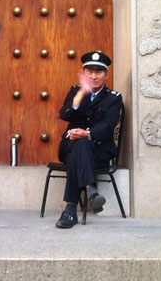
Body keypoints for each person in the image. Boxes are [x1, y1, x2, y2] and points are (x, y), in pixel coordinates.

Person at [55, 50, 123, 228]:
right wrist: (81, 94)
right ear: (83, 73)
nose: (94, 77)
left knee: (80, 149)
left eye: (98, 72)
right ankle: (91, 190)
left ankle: (70, 210)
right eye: (90, 72)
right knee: (78, 146)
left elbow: (109, 125)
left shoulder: (113, 98)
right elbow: (64, 115)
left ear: (106, 75)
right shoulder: (75, 92)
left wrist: (87, 134)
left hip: (98, 149)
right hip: (68, 145)